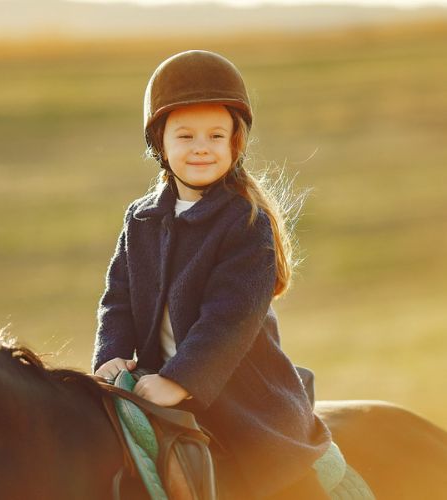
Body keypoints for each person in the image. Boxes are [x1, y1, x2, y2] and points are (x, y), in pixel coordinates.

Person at [92, 50, 332, 499]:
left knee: (278, 481)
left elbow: (229, 318)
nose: (201, 146)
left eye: (215, 135)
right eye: (185, 135)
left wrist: (179, 380)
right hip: (153, 383)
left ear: (234, 144)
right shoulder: (140, 218)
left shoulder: (245, 222)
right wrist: (110, 354)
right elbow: (117, 297)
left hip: (242, 399)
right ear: (160, 143)